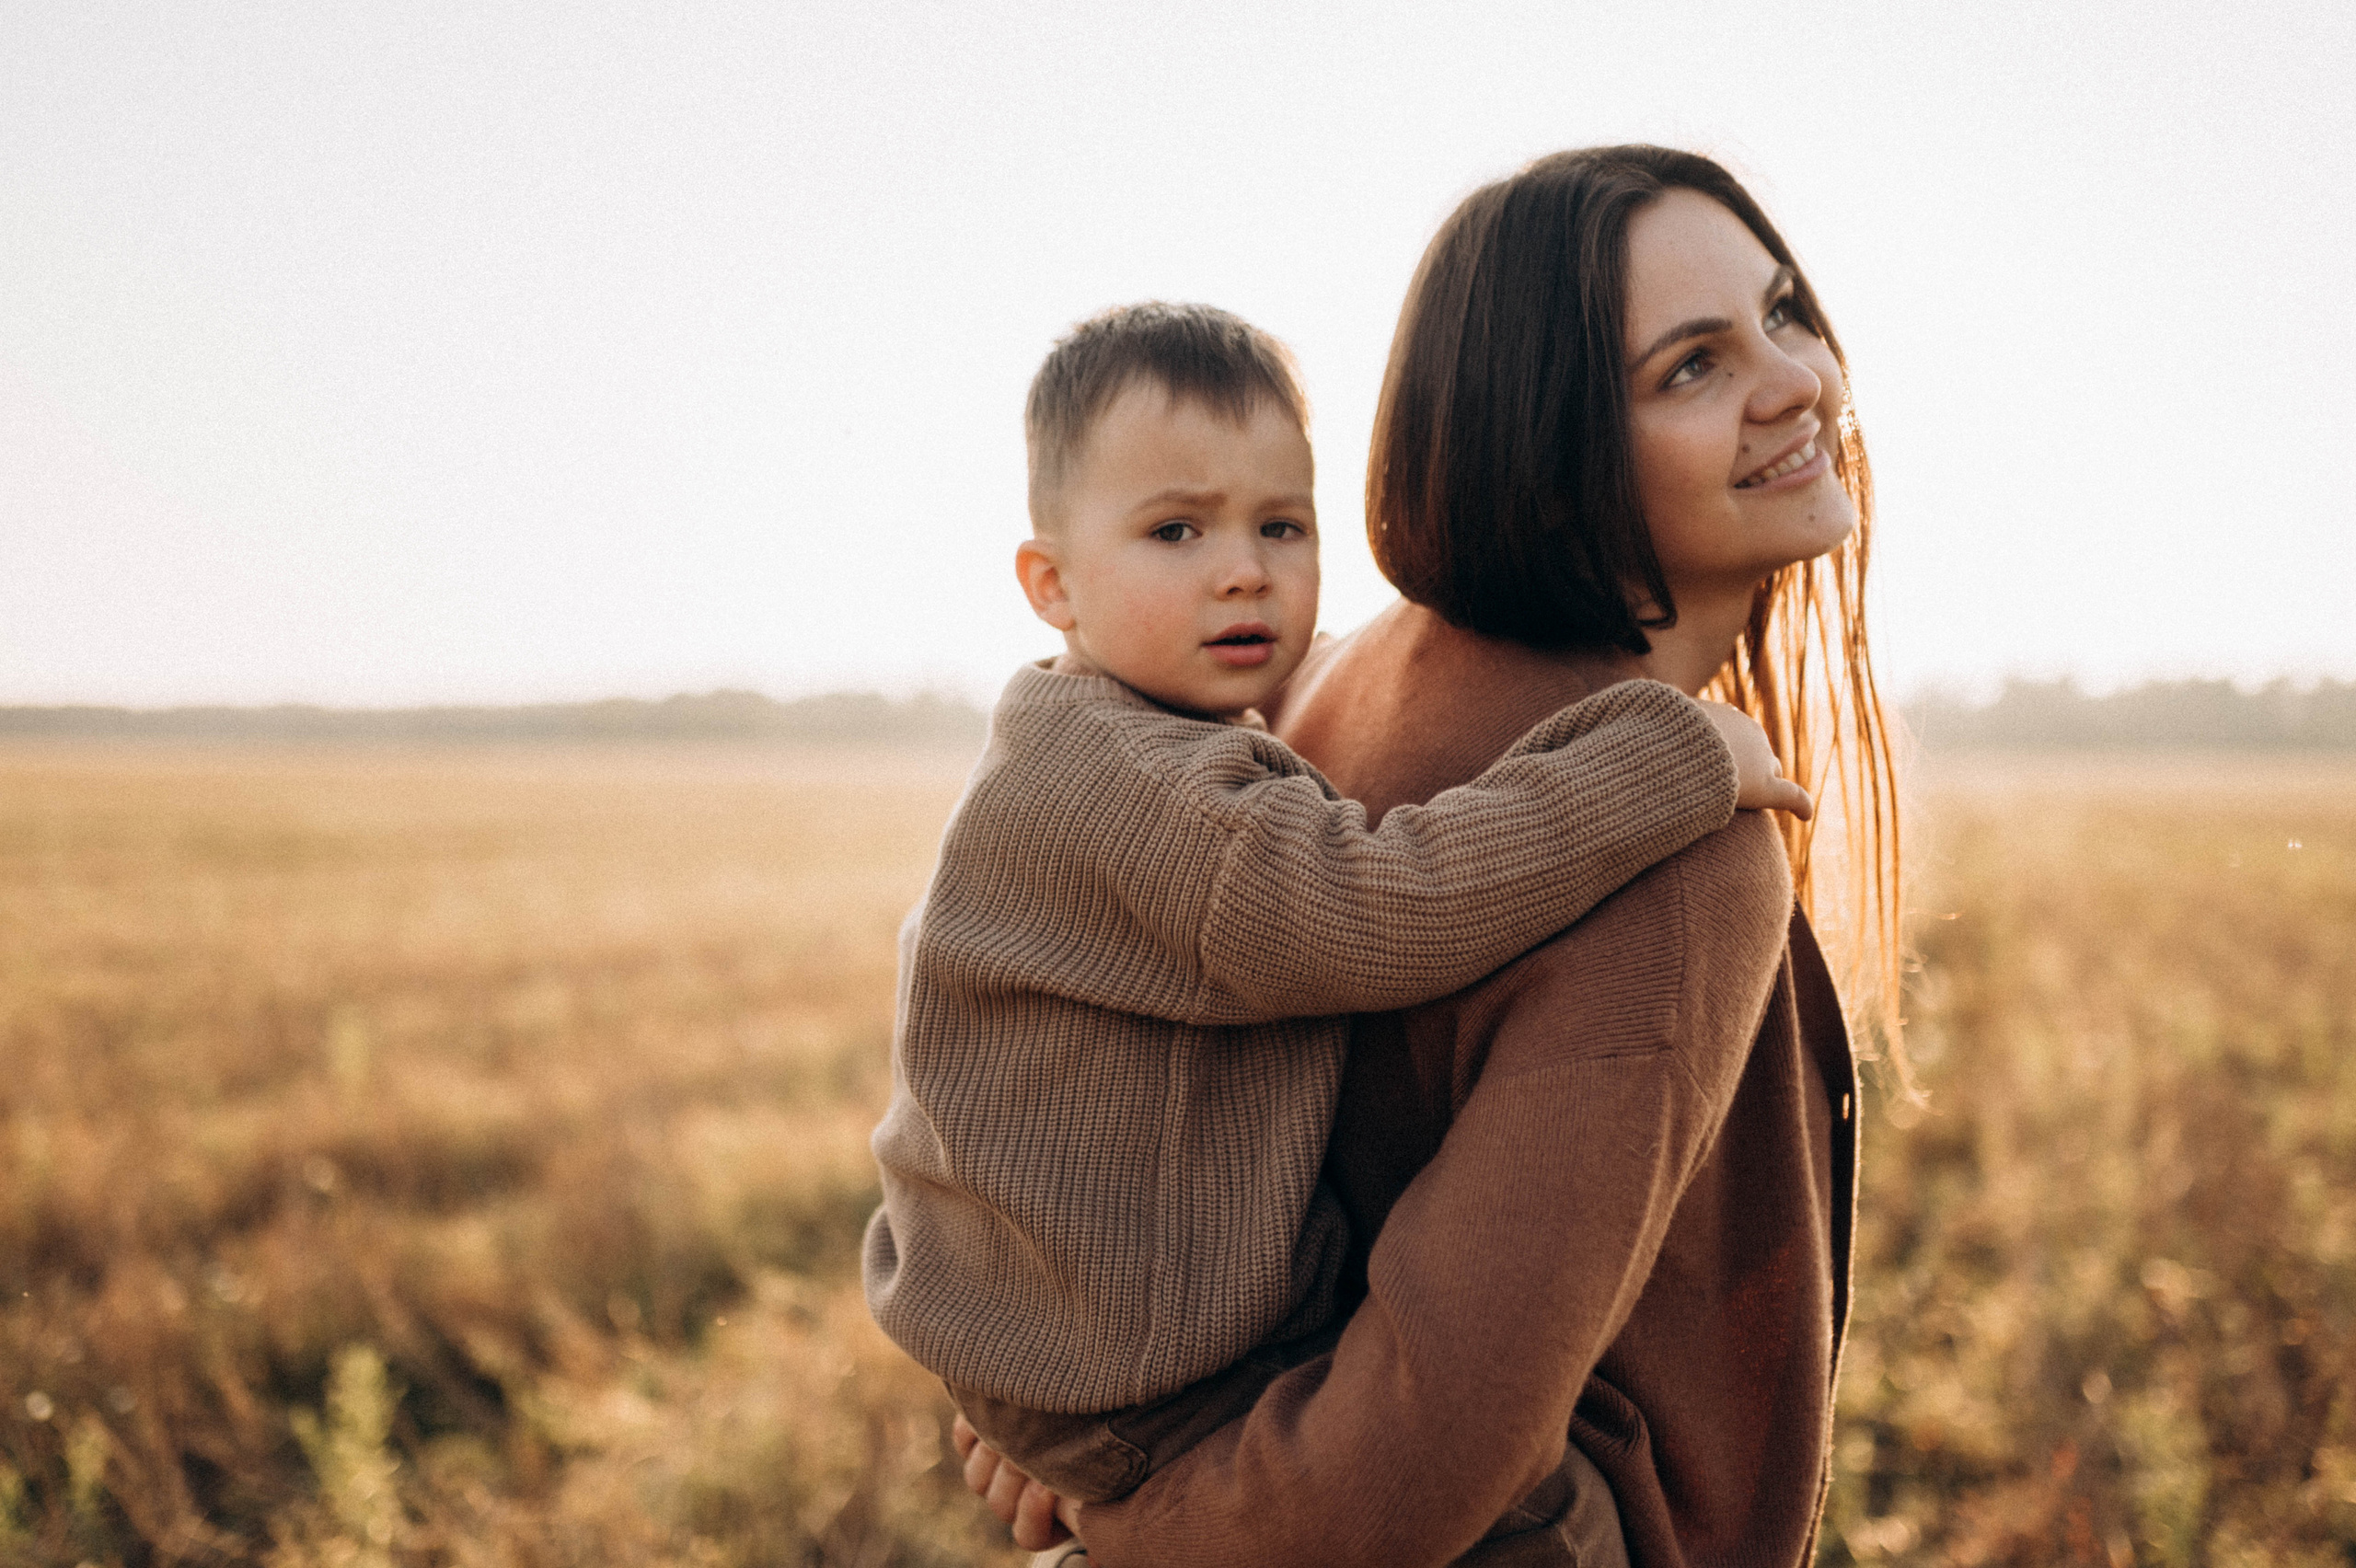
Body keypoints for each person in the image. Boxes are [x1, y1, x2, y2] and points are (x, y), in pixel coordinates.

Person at [956, 146, 1902, 1567]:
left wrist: (1056, 1394)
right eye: (1691, 368)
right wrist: (1122, 1512)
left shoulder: (1327, 683)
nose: (1797, 384)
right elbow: (1406, 1460)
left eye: (1785, 314)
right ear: (1552, 433)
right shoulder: (1679, 853)